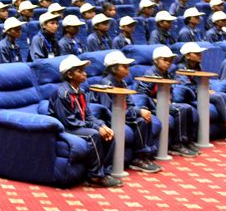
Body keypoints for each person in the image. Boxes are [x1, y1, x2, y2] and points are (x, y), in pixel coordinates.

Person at [49, 56, 121, 187]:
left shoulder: (81, 92)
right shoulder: (62, 94)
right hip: (65, 128)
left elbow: (88, 115)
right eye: (80, 71)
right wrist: (96, 128)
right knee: (94, 135)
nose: (85, 73)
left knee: (109, 134)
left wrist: (102, 125)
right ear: (70, 74)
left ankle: (105, 172)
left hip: (78, 125)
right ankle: (95, 177)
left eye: (84, 70)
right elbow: (69, 122)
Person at [92, 51, 162, 174]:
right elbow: (109, 111)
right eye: (124, 66)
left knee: (145, 118)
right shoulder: (106, 84)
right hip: (110, 119)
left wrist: (136, 112)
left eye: (128, 66)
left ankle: (146, 155)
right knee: (140, 122)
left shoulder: (122, 83)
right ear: (114, 69)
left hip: (123, 115)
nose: (128, 69)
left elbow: (130, 105)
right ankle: (138, 158)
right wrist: (137, 112)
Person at [132, 45, 201, 157]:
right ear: (156, 60)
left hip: (165, 103)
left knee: (188, 108)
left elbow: (170, 90)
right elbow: (141, 96)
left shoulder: (166, 73)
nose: (168, 63)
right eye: (165, 60)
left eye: (170, 60)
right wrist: (156, 101)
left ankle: (187, 140)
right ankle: (177, 144)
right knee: (180, 110)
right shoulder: (150, 74)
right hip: (152, 106)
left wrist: (169, 98)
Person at [176, 43, 226, 143]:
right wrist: (203, 90)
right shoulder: (181, 68)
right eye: (196, 53)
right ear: (187, 56)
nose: (200, 55)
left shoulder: (198, 66)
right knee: (218, 97)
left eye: (200, 53)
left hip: (201, 92)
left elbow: (204, 81)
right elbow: (185, 86)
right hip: (191, 95)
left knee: (223, 95)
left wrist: (208, 88)